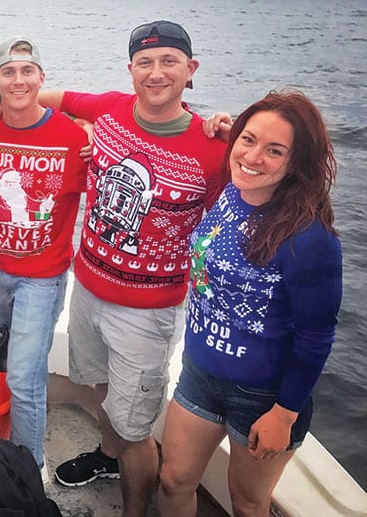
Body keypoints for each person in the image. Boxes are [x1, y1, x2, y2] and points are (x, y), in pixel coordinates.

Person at [38, 21, 227, 517]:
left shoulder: (215, 148)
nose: (157, 72)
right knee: (99, 388)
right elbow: (48, 96)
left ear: (191, 70)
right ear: (130, 71)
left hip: (147, 313)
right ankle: (106, 456)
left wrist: (237, 126)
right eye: (145, 62)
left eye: (169, 61)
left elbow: (255, 189)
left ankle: (133, 509)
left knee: (137, 429)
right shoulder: (109, 109)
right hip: (89, 287)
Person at [157, 90, 342, 516]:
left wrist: (285, 414)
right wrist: (210, 125)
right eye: (248, 140)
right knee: (172, 481)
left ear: (297, 163)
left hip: (264, 397)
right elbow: (206, 141)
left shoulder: (309, 239)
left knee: (248, 503)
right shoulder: (230, 190)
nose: (254, 157)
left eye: (275, 150)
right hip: (200, 373)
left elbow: (316, 336)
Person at [0, 37, 88, 475]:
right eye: (8, 72)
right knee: (5, 360)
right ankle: (8, 437)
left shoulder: (72, 137)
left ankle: (28, 473)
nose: (18, 79)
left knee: (25, 380)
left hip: (43, 279)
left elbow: (129, 144)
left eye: (27, 71)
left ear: (41, 78)